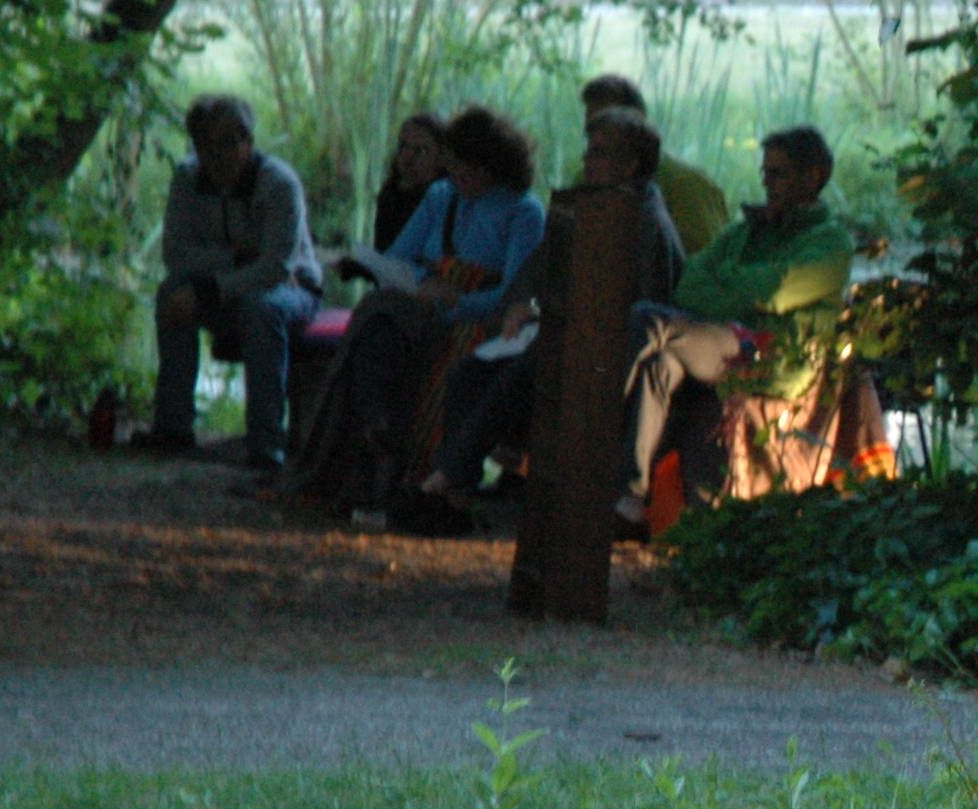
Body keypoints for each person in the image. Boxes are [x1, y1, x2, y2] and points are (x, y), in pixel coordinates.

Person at [389, 106, 684, 537]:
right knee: (470, 370)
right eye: (589, 150)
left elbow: (643, 310)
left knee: (520, 374)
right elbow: (536, 272)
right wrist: (524, 304)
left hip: (606, 354)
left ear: (630, 165)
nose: (587, 161)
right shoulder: (587, 207)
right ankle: (453, 493)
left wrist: (558, 318)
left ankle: (445, 479)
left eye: (599, 153)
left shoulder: (647, 224)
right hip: (558, 335)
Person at [278, 105, 545, 512]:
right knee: (378, 316)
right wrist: (426, 284)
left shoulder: (523, 212)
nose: (458, 179)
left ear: (492, 167)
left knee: (403, 332)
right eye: (454, 169)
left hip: (480, 323)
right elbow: (397, 260)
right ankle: (366, 442)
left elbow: (514, 295)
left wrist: (456, 302)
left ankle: (403, 462)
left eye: (468, 171)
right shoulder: (442, 197)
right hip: (421, 309)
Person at [615, 124, 854, 518]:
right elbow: (689, 285)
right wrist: (746, 297)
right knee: (662, 363)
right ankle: (629, 494)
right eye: (765, 173)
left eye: (778, 174)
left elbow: (775, 291)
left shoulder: (831, 244)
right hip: (721, 338)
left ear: (814, 177)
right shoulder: (745, 232)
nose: (767, 183)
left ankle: (593, 435)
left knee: (649, 321)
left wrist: (728, 283)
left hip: (770, 356)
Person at [142, 94, 320, 473]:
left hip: (294, 290)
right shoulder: (187, 180)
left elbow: (277, 267)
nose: (216, 156)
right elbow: (176, 253)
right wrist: (235, 259)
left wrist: (212, 287)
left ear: (248, 143)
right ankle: (172, 426)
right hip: (229, 282)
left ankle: (266, 443)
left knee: (262, 307)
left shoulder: (279, 184)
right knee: (172, 294)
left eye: (227, 144)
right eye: (206, 145)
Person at [582, 71, 730, 255]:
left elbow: (712, 260)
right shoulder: (586, 179)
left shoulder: (687, 184)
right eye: (591, 121)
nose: (587, 159)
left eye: (609, 120)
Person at [370, 112, 449, 252]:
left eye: (421, 151)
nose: (407, 158)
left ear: (442, 157)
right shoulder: (390, 195)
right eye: (403, 146)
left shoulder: (447, 201)